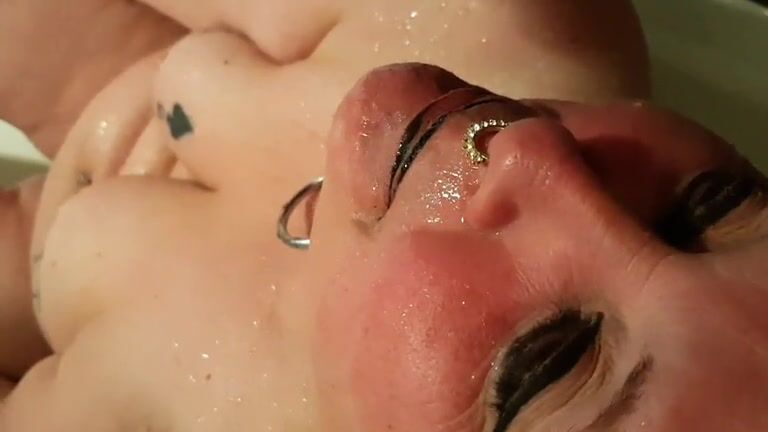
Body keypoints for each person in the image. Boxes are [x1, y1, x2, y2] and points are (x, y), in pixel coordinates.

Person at [2, 1, 767, 431]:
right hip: (117, 67)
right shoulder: (494, 19)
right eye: (716, 202)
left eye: (551, 360)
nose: (535, 154)